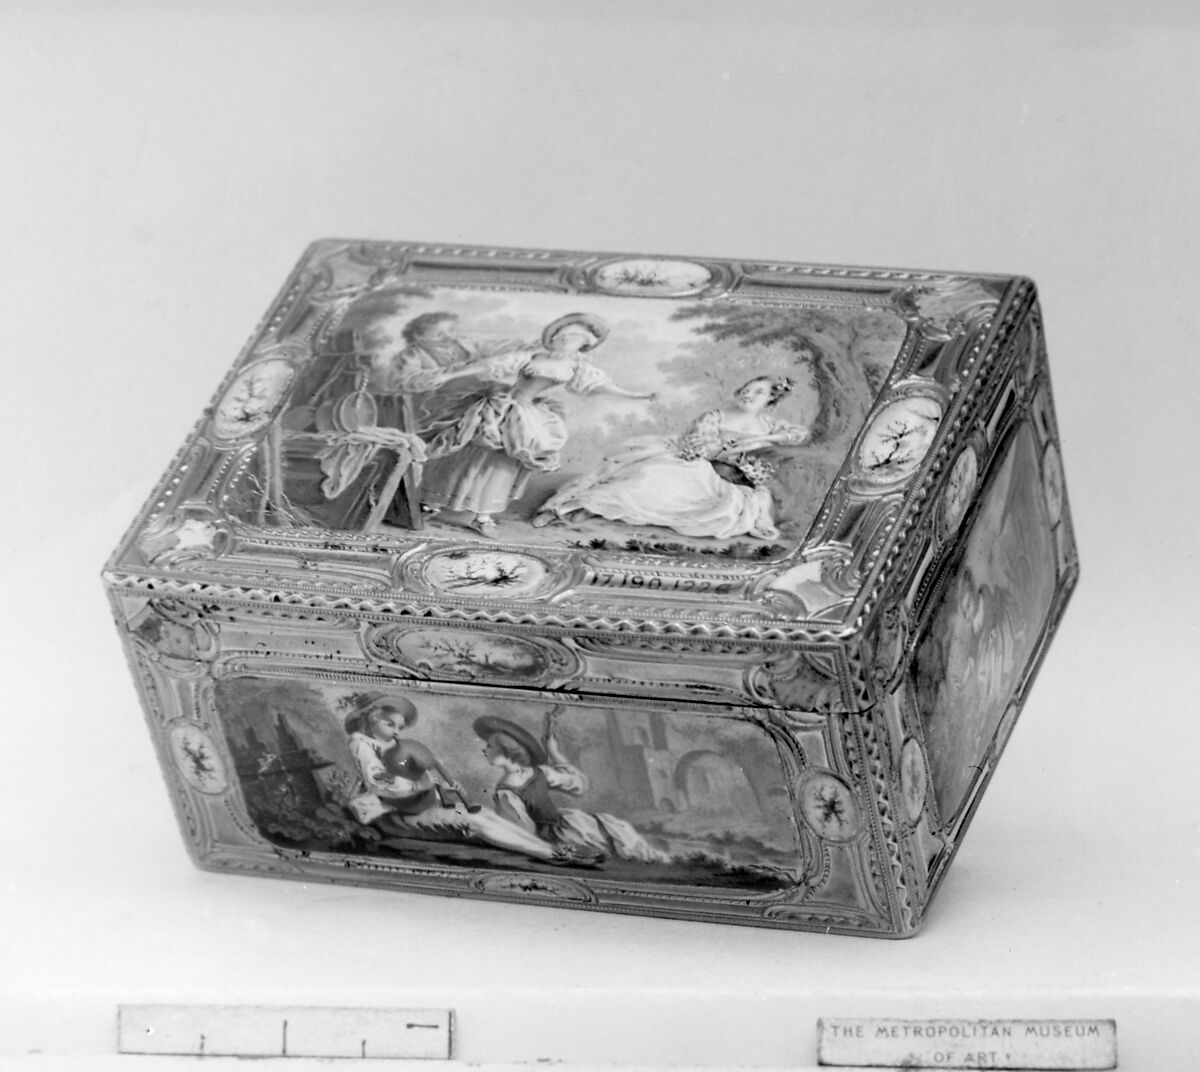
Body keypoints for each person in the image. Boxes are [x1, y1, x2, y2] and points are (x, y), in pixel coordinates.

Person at [419, 313, 655, 537]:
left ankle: (483, 517)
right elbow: (491, 365)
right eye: (562, 335)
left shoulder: (577, 368)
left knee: (503, 462)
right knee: (466, 455)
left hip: (525, 416)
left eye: (572, 337)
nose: (564, 340)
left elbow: (601, 386)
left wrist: (637, 396)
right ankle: (432, 503)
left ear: (585, 344)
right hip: (499, 408)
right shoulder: (532, 357)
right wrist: (447, 376)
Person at [533, 375, 808, 540]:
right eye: (748, 387)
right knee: (651, 477)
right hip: (697, 465)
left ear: (771, 400)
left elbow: (798, 434)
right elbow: (698, 444)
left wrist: (764, 440)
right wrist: (731, 449)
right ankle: (575, 506)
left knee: (705, 508)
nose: (749, 393)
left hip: (727, 480)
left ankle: (600, 508)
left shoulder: (769, 425)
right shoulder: (716, 416)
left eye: (759, 392)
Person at [343, 693, 586, 864]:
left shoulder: (393, 743)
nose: (396, 731)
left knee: (483, 814)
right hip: (395, 815)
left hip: (422, 804)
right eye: (390, 724)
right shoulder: (360, 743)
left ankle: (549, 848)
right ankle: (550, 854)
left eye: (400, 727)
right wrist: (423, 784)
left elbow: (418, 773)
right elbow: (379, 781)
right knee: (473, 821)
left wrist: (442, 785)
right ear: (373, 717)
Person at [474, 708, 671, 865]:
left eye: (489, 746)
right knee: (623, 839)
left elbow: (523, 831)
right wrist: (554, 752)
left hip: (565, 830)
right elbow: (578, 784)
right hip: (568, 830)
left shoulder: (507, 791)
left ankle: (660, 861)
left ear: (506, 751)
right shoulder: (537, 774)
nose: (484, 750)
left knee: (622, 836)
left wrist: (552, 750)